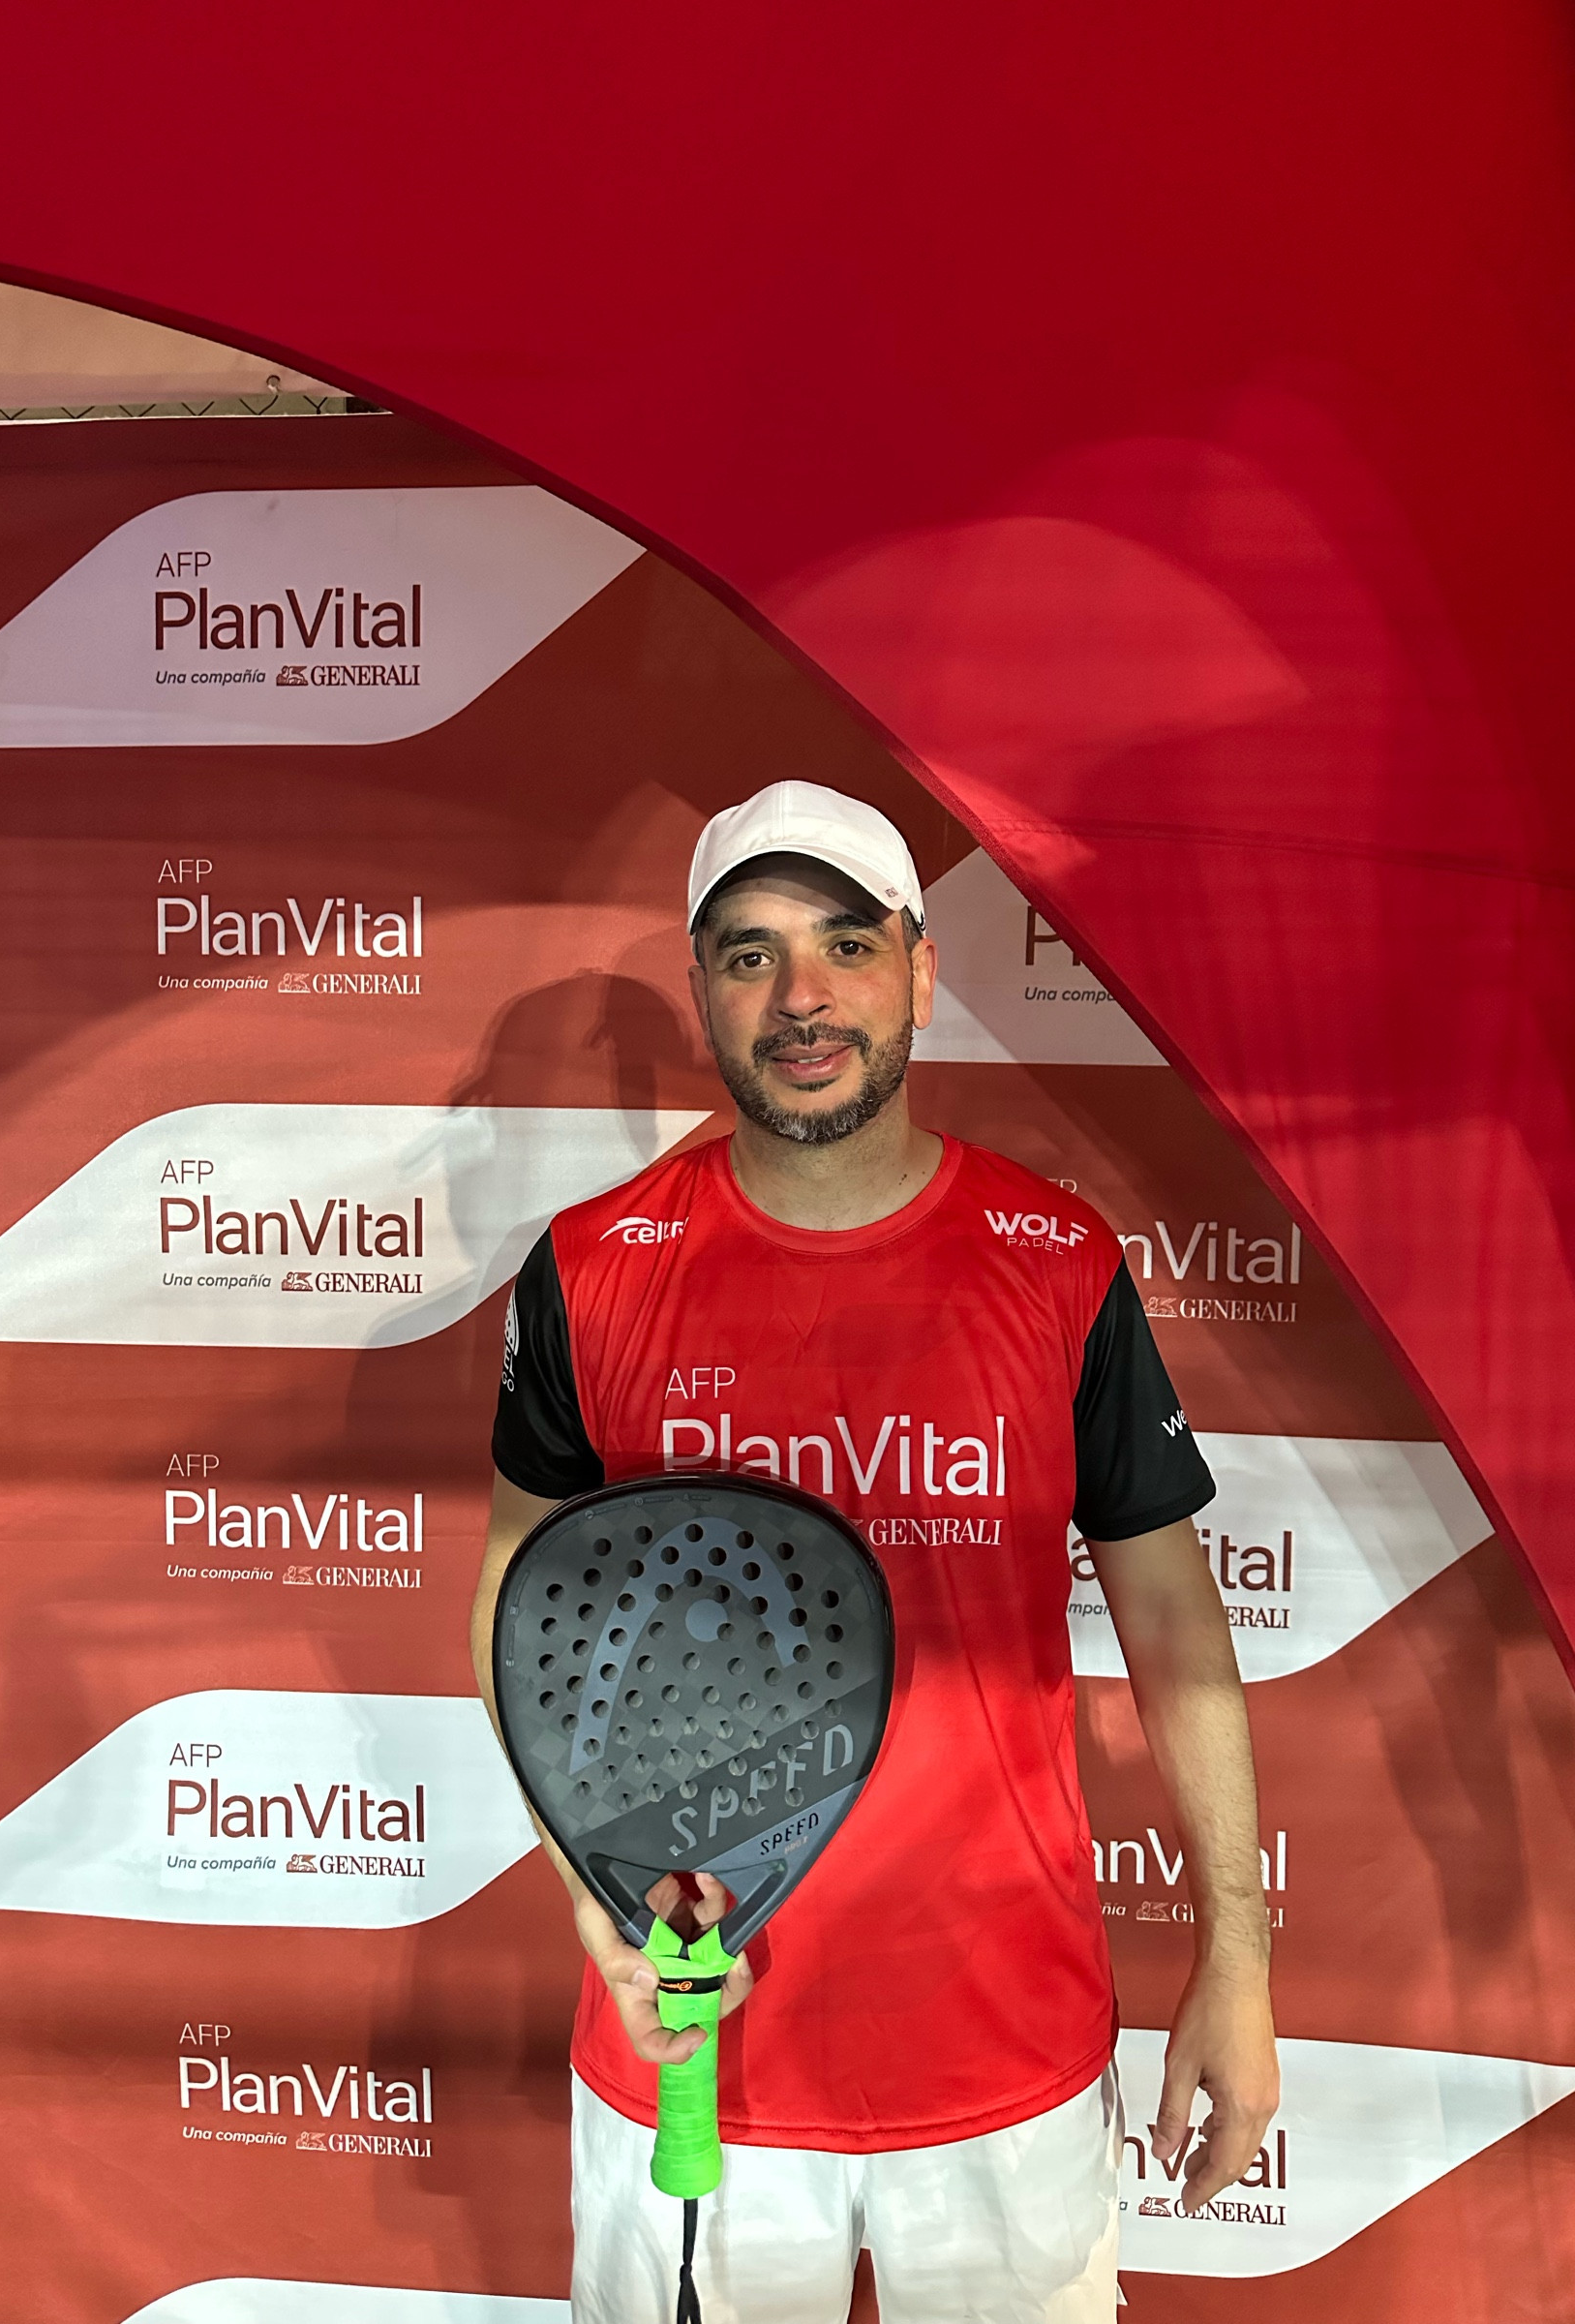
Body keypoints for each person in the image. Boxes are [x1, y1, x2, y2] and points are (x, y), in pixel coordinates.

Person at [470, 781, 1278, 2324]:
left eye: (847, 944)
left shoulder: (1059, 1262)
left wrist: (1237, 1960)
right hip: (695, 2048)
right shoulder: (589, 1268)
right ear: (703, 989)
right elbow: (519, 1601)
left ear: (919, 970)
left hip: (1005, 2056)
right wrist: (595, 1900)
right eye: (750, 954)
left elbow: (1176, 1624)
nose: (803, 995)